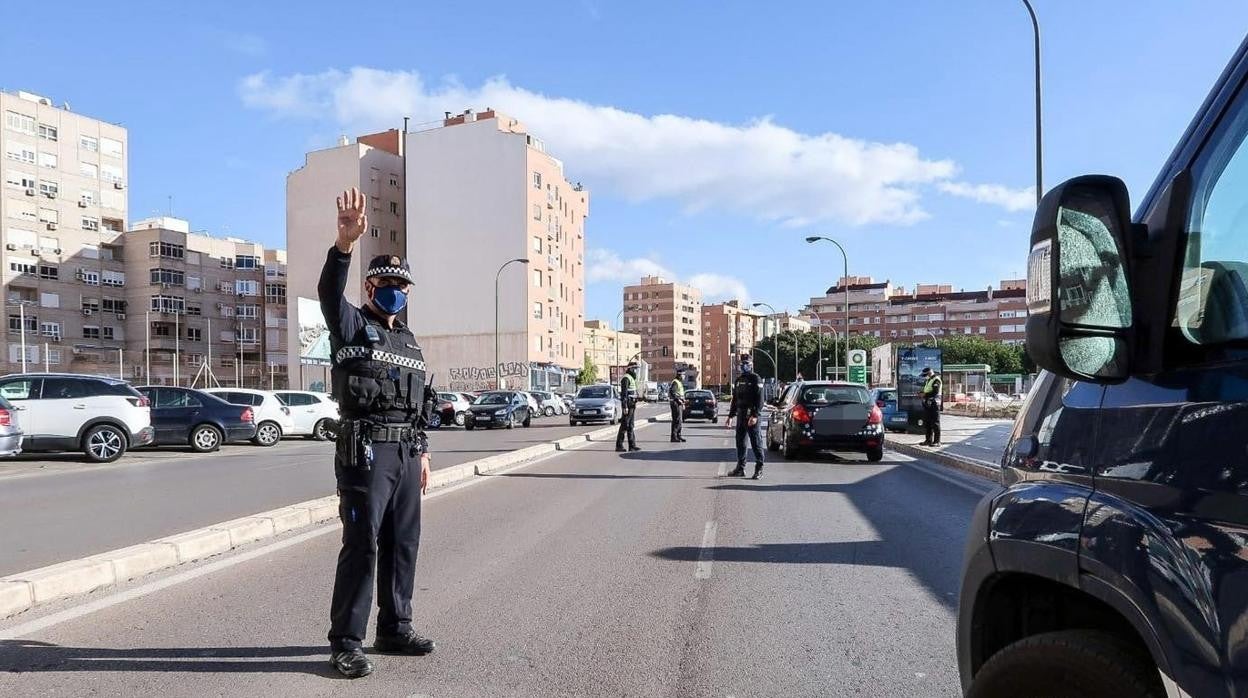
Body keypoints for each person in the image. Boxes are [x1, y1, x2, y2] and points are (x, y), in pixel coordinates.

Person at [320, 186, 435, 679]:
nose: (394, 289)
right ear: (369, 287)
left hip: (407, 453)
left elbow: (419, 404)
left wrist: (424, 452)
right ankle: (346, 641)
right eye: (386, 281)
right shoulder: (350, 325)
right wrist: (344, 246)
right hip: (365, 452)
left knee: (403, 542)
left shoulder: (408, 340)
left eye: (401, 285)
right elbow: (329, 293)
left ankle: (394, 627)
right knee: (363, 545)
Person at [725, 354, 765, 479]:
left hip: (751, 415)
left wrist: (755, 415)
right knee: (740, 443)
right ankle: (740, 468)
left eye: (746, 363)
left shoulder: (755, 379)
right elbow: (735, 400)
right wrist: (730, 416)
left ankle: (759, 468)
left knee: (756, 442)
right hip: (741, 415)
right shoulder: (738, 380)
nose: (743, 366)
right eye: (742, 364)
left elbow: (760, 399)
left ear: (751, 364)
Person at [615, 361, 642, 452]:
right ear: (630, 369)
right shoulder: (626, 378)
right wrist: (624, 406)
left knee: (630, 425)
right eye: (634, 369)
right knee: (624, 425)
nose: (636, 371)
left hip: (632, 404)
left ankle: (632, 445)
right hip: (628, 405)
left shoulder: (632, 378)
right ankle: (619, 445)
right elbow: (624, 394)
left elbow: (632, 392)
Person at [920, 366, 942, 446]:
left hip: (935, 404)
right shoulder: (929, 380)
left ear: (929, 373)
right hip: (928, 403)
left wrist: (925, 394)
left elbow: (935, 392)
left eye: (926, 375)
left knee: (935, 423)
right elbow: (927, 390)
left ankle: (937, 441)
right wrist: (922, 393)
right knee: (928, 423)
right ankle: (928, 440)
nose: (925, 376)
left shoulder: (936, 379)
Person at [669, 371, 687, 443]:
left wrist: (683, 401)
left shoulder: (679, 382)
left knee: (679, 420)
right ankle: (674, 437)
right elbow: (672, 392)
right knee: (677, 420)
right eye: (683, 375)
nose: (684, 376)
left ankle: (678, 435)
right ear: (680, 375)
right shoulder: (675, 382)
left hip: (679, 403)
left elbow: (679, 393)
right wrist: (678, 400)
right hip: (675, 403)